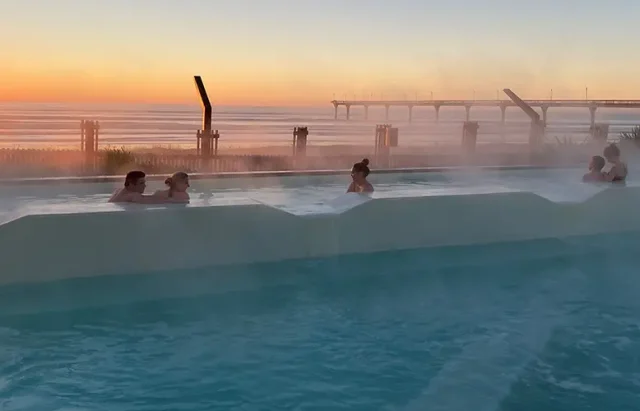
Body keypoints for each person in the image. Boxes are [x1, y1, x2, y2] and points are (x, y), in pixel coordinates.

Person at [108, 171, 186, 204]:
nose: (145, 186)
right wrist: (174, 201)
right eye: (141, 183)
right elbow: (150, 200)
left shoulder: (117, 191)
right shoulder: (132, 195)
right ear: (131, 184)